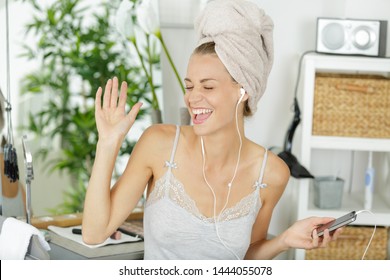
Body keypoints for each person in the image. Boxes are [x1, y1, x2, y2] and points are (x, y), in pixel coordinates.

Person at [82, 0, 341, 259]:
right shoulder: (158, 144)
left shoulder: (272, 173)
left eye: (208, 87)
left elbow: (245, 258)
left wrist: (284, 240)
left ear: (244, 91)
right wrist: (107, 143)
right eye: (189, 86)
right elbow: (94, 233)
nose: (193, 98)